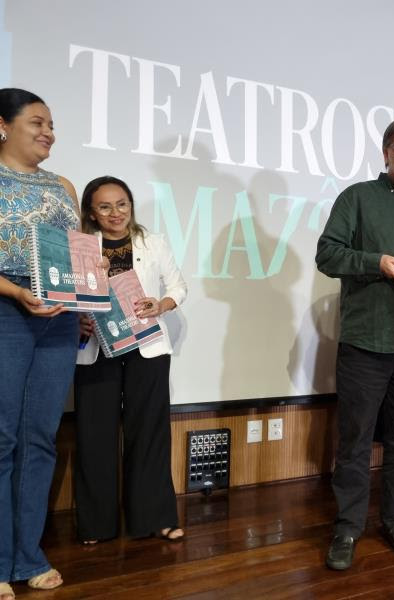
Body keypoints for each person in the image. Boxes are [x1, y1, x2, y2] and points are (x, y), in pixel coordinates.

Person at [315, 117, 394, 570]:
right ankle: (348, 527)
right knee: (354, 441)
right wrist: (378, 263)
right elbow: (327, 254)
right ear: (387, 151)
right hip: (367, 341)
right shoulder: (357, 198)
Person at [73, 176, 187, 543]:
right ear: (92, 212)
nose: (115, 213)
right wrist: (77, 318)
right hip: (97, 349)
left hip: (147, 347)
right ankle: (96, 525)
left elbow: (178, 287)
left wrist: (161, 304)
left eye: (122, 204)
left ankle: (155, 518)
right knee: (95, 435)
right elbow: (66, 293)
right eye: (105, 206)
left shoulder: (153, 242)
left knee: (149, 433)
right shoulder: (80, 246)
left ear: (131, 205)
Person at [0, 88, 81, 596]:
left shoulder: (64, 186)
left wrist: (90, 287)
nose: (49, 132)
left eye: (51, 124)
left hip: (60, 320)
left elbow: (78, 259)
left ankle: (27, 556)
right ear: (2, 125)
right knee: (2, 437)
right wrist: (16, 293)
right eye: (37, 122)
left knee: (39, 438)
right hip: (7, 311)